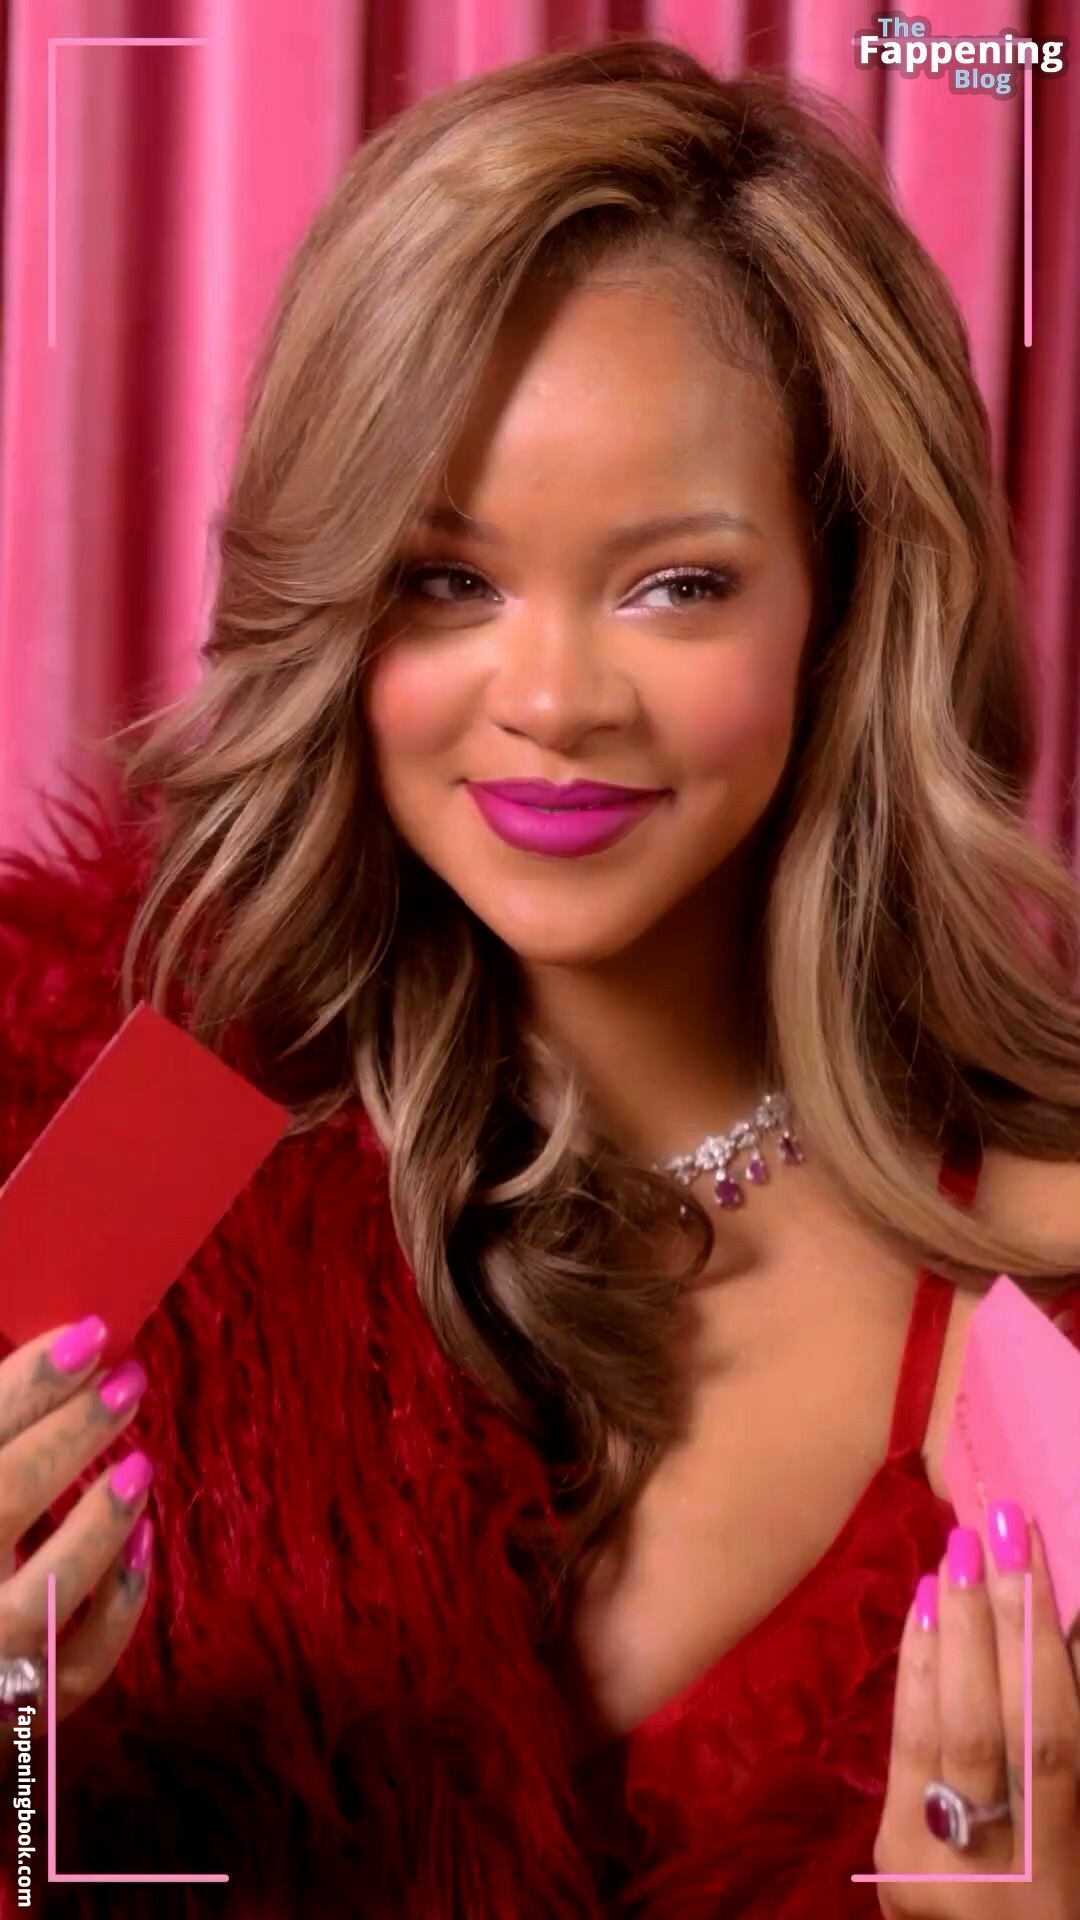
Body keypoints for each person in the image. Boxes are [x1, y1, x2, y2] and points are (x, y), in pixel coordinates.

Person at [1, 33, 1078, 1920]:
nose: (556, 699)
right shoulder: (83, 1162)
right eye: (446, 580)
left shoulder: (1052, 1289)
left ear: (845, 602)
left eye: (677, 583)